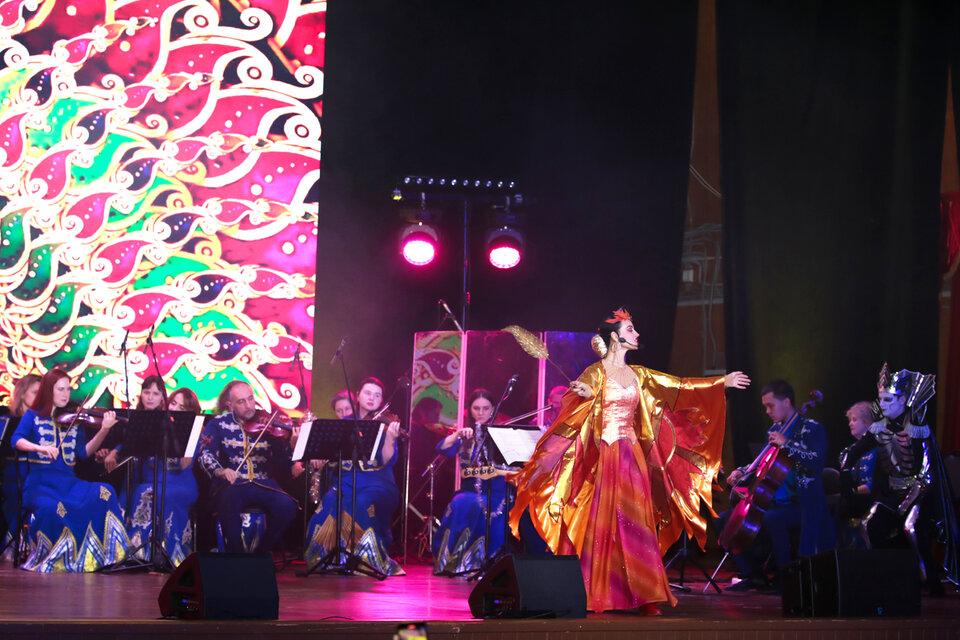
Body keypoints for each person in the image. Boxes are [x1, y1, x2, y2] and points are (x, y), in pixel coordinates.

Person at [508, 308, 750, 613]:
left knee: (637, 522)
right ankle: (592, 590)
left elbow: (679, 386)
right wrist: (585, 394)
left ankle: (646, 594)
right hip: (602, 455)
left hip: (630, 455)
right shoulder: (595, 372)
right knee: (600, 523)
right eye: (631, 329)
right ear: (614, 337)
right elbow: (583, 402)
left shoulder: (640, 375)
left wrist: (720, 382)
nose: (636, 334)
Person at [848, 365, 960, 595]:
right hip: (891, 493)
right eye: (881, 399)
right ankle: (887, 574)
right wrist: (845, 468)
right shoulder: (880, 427)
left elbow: (927, 473)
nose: (883, 405)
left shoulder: (918, 428)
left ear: (902, 400)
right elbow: (857, 450)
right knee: (869, 525)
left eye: (888, 400)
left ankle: (929, 579)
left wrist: (908, 502)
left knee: (911, 528)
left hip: (921, 494)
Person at [11, 369, 130, 571]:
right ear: (48, 391)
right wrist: (39, 448)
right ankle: (59, 558)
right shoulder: (33, 416)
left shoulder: (73, 419)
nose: (66, 394)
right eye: (61, 389)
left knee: (105, 492)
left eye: (68, 389)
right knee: (52, 509)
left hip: (68, 483)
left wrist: (104, 429)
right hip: (40, 485)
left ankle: (102, 557)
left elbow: (84, 452)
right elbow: (16, 440)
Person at [724, 379, 835, 592]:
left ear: (786, 402)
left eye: (770, 405)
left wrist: (787, 444)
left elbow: (816, 461)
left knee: (772, 518)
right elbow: (762, 462)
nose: (767, 411)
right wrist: (741, 471)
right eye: (765, 407)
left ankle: (785, 579)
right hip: (775, 500)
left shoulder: (812, 428)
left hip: (803, 503)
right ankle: (754, 576)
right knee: (726, 520)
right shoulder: (775, 430)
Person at [304, 377, 403, 576]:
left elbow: (387, 460)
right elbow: (333, 452)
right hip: (347, 481)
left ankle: (366, 559)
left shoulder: (385, 425)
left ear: (381, 400)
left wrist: (390, 440)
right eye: (368, 393)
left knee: (362, 503)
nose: (372, 398)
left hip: (377, 482)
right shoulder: (346, 424)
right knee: (328, 504)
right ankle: (331, 559)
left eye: (377, 395)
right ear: (358, 396)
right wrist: (318, 454)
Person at [196, 381, 298, 554]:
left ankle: (261, 553)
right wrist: (220, 471)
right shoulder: (218, 423)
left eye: (251, 399)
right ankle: (237, 556)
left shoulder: (269, 423)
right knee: (228, 500)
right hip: (233, 483)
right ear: (230, 405)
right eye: (241, 402)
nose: (249, 406)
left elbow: (282, 463)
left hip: (263, 483)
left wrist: (291, 447)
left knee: (288, 506)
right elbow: (205, 454)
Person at [116, 379, 200, 566]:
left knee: (151, 493)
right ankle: (140, 552)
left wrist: (182, 441)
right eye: (173, 403)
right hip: (157, 481)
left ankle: (168, 555)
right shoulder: (160, 425)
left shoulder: (193, 431)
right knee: (143, 490)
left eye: (182, 407)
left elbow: (183, 465)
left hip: (181, 484)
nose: (175, 409)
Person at [432, 388, 510, 575]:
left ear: (493, 409)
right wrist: (457, 434)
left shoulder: (502, 434)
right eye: (476, 408)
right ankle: (460, 562)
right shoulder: (466, 435)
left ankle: (491, 561)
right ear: (470, 410)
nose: (481, 413)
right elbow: (442, 448)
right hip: (470, 491)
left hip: (498, 491)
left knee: (493, 507)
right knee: (462, 502)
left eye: (486, 408)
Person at [2, 374, 41, 558]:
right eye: (35, 392)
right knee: (20, 492)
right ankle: (13, 547)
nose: (39, 397)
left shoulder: (44, 421)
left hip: (38, 470)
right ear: (22, 393)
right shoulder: (7, 421)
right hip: (14, 471)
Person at [836, 401, 876, 548]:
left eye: (854, 420)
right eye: (850, 420)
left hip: (871, 502)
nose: (850, 424)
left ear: (866, 421)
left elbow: (877, 482)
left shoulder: (878, 447)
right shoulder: (849, 451)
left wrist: (854, 491)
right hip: (852, 504)